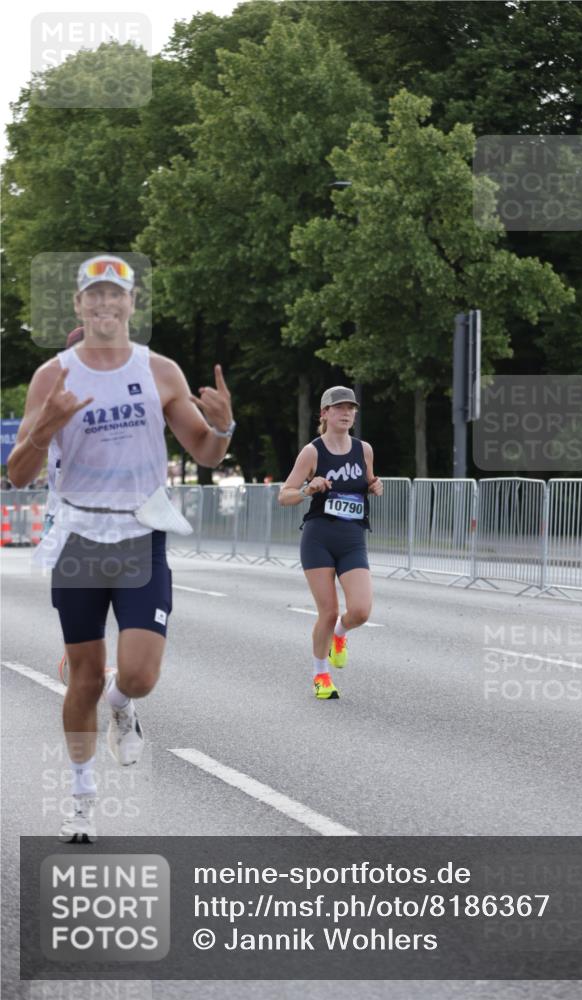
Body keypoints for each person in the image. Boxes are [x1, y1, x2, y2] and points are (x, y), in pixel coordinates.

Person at [7, 255, 235, 842]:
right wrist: (43, 427)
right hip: (79, 538)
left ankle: (123, 705)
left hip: (139, 534)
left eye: (117, 296)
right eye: (95, 296)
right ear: (79, 305)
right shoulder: (52, 377)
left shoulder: (159, 371)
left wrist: (224, 427)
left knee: (137, 675)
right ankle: (81, 798)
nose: (106, 306)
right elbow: (18, 474)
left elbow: (205, 453)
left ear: (133, 305)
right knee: (81, 678)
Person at [278, 386, 383, 699]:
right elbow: (285, 495)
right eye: (339, 408)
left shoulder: (364, 449)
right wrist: (310, 489)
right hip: (319, 538)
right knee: (328, 610)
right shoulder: (313, 452)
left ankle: (341, 634)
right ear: (324, 414)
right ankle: (320, 674)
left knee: (361, 611)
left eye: (351, 408)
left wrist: (376, 485)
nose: (346, 413)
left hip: (352, 539)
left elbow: (369, 480)